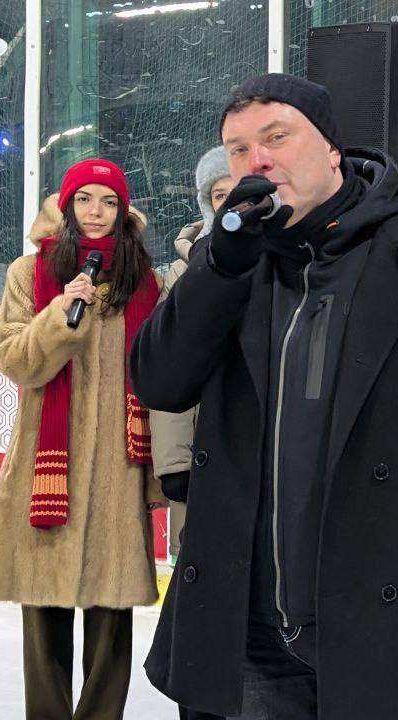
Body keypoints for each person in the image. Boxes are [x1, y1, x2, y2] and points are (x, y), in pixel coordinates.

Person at [129, 74, 398, 720]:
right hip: (249, 638)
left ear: (333, 149)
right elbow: (158, 379)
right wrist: (221, 266)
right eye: (237, 149)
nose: (255, 160)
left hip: (387, 622)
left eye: (276, 137)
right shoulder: (231, 259)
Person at [0, 159, 164, 718]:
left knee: (111, 625)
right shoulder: (28, 273)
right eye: (85, 200)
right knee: (44, 620)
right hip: (46, 469)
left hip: (116, 472)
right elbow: (15, 361)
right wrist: (62, 312)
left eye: (108, 202)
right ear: (67, 206)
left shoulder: (142, 280)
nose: (96, 212)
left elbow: (163, 365)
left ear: (123, 211)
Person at [150, 145, 234, 557]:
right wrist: (174, 462)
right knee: (197, 571)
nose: (229, 202)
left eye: (238, 190)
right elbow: (171, 368)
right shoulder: (184, 271)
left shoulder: (291, 258)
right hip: (203, 450)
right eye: (219, 195)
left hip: (268, 448)